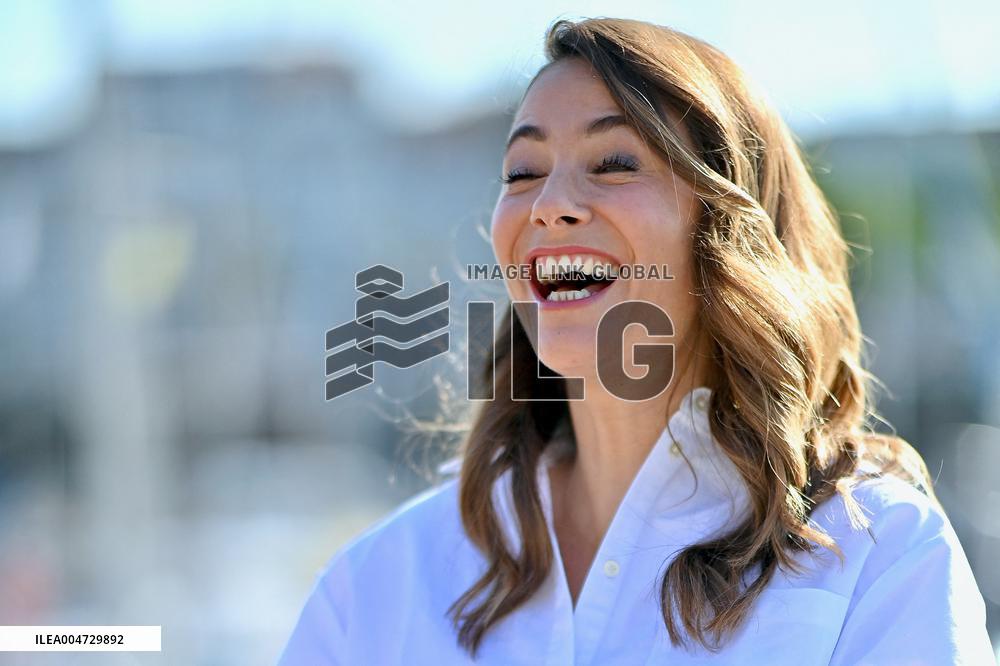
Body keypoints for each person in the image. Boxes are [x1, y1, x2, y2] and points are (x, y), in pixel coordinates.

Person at [278, 17, 995, 665]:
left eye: (615, 163)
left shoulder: (880, 555)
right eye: (522, 173)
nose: (550, 205)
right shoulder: (380, 583)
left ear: (730, 229)